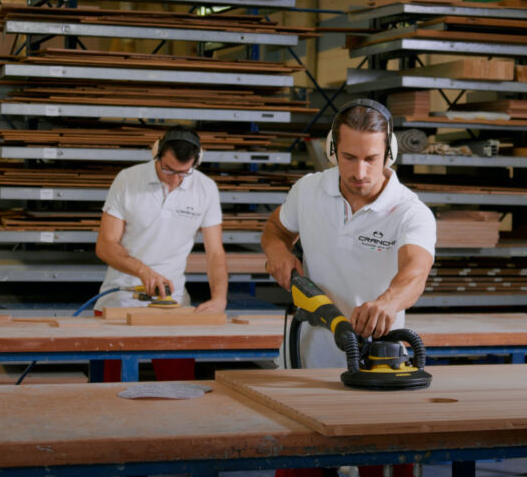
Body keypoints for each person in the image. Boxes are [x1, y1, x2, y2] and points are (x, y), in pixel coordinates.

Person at [261, 99, 436, 369]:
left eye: (371, 159)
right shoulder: (307, 190)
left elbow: (416, 271)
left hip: (374, 361)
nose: (359, 172)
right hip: (302, 356)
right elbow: (276, 229)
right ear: (333, 150)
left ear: (388, 153)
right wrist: (277, 252)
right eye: (349, 157)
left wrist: (388, 303)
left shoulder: (410, 211)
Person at [94, 125, 228, 379]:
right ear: (156, 153)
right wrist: (143, 272)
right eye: (167, 169)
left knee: (179, 387)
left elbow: (215, 253)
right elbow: (105, 245)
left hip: (173, 303)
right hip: (121, 298)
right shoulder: (128, 180)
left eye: (183, 172)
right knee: (109, 387)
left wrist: (219, 298)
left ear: (196, 161)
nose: (174, 178)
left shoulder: (206, 188)